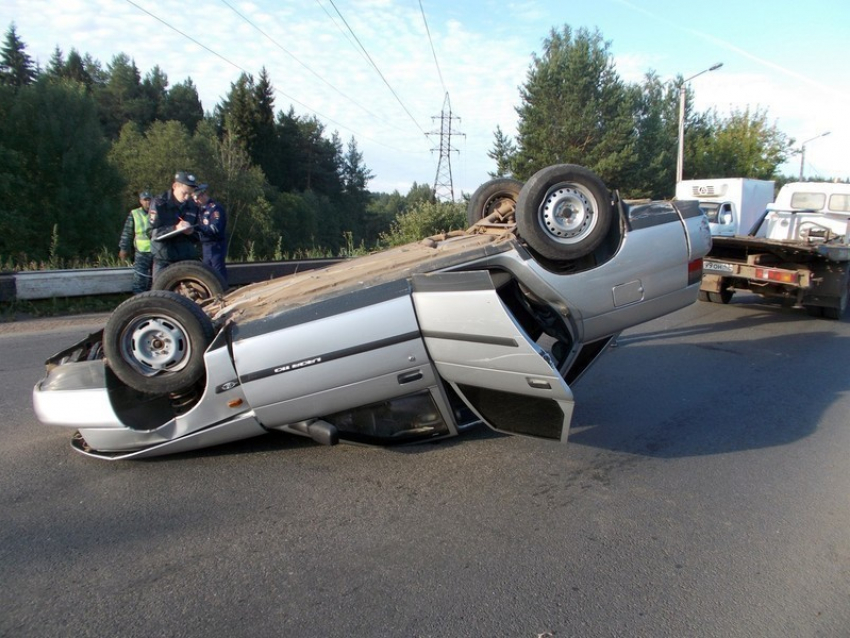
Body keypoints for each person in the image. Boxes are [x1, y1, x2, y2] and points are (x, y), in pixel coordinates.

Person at [148, 171, 201, 280]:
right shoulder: (160, 204)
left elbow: (199, 233)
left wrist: (191, 232)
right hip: (164, 258)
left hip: (185, 258)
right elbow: (152, 232)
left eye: (190, 194)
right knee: (161, 289)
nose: (187, 197)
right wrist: (175, 228)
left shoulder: (193, 206)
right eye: (184, 193)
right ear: (175, 186)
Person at [118, 191, 154, 294]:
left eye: (149, 199)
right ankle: (138, 299)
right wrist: (124, 249)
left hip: (157, 251)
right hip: (142, 252)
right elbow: (127, 233)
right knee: (139, 279)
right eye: (145, 200)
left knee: (155, 279)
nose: (148, 202)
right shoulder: (135, 213)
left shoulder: (158, 212)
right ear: (140, 201)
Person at [192, 183, 228, 283]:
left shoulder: (215, 209)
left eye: (197, 198)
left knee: (218, 273)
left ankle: (223, 290)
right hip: (205, 245)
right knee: (207, 274)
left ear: (203, 194)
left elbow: (215, 228)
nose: (196, 201)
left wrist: (199, 228)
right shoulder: (199, 209)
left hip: (216, 245)